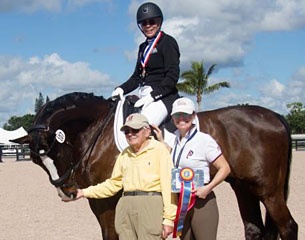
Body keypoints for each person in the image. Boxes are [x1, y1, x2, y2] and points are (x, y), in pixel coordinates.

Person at [63, 113, 177, 240]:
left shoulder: (160, 150)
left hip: (150, 204)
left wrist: (169, 219)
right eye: (127, 131)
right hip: (126, 205)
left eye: (135, 130)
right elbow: (113, 184)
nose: (130, 134)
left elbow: (168, 185)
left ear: (147, 131)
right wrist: (83, 192)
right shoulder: (125, 154)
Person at [153, 97, 231, 240]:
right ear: (172, 118)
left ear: (194, 116)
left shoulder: (204, 140)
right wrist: (161, 141)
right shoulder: (174, 140)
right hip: (181, 203)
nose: (181, 118)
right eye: (177, 115)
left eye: (186, 115)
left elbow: (225, 168)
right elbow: (176, 159)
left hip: (202, 201)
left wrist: (208, 188)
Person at [111, 2, 180, 127]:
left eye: (152, 22)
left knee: (141, 127)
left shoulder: (168, 42)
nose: (148, 26)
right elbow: (137, 77)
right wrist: (121, 89)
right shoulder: (143, 47)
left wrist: (153, 96)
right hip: (144, 95)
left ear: (159, 22)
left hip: (164, 97)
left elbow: (172, 76)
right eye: (144, 23)